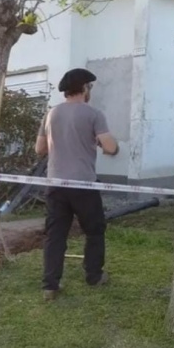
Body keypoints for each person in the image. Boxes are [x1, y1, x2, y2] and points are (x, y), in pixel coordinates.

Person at [35, 68, 119, 301]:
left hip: (55, 185)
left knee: (55, 235)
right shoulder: (93, 114)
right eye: (89, 87)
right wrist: (105, 144)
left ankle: (50, 286)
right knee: (94, 231)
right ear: (84, 88)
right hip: (83, 185)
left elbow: (40, 149)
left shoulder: (51, 114)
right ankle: (94, 276)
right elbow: (110, 147)